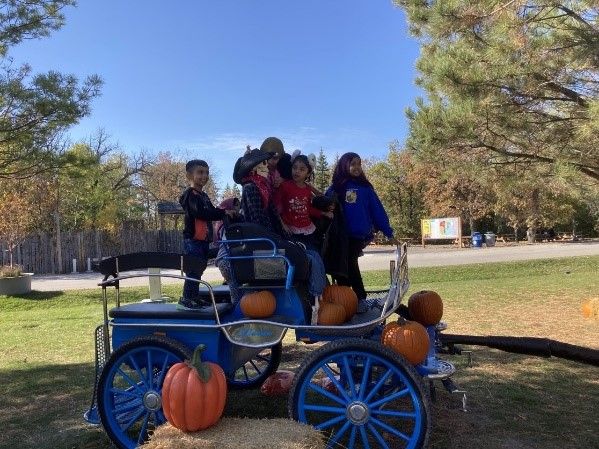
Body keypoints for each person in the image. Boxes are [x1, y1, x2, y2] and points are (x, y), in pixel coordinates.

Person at [326, 152, 396, 313]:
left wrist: (388, 232)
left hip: (357, 235)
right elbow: (324, 204)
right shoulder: (336, 188)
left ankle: (359, 298)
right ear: (344, 166)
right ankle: (347, 299)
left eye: (359, 164)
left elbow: (377, 210)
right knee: (342, 265)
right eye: (353, 164)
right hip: (339, 235)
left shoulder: (365, 188)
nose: (357, 167)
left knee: (350, 261)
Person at [178, 159, 236, 310]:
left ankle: (195, 296)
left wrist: (225, 212)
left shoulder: (203, 196)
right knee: (193, 269)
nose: (204, 176)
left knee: (199, 269)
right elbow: (201, 213)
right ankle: (186, 298)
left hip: (203, 240)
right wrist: (223, 212)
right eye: (200, 172)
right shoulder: (190, 195)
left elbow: (212, 210)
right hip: (193, 239)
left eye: (206, 172)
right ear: (189, 176)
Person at [274, 152, 332, 251]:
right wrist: (282, 224)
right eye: (294, 167)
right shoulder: (285, 186)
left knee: (313, 255)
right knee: (299, 258)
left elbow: (308, 209)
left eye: (302, 169)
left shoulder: (307, 189)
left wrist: (324, 213)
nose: (297, 171)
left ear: (308, 173)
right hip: (290, 231)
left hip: (307, 230)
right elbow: (275, 207)